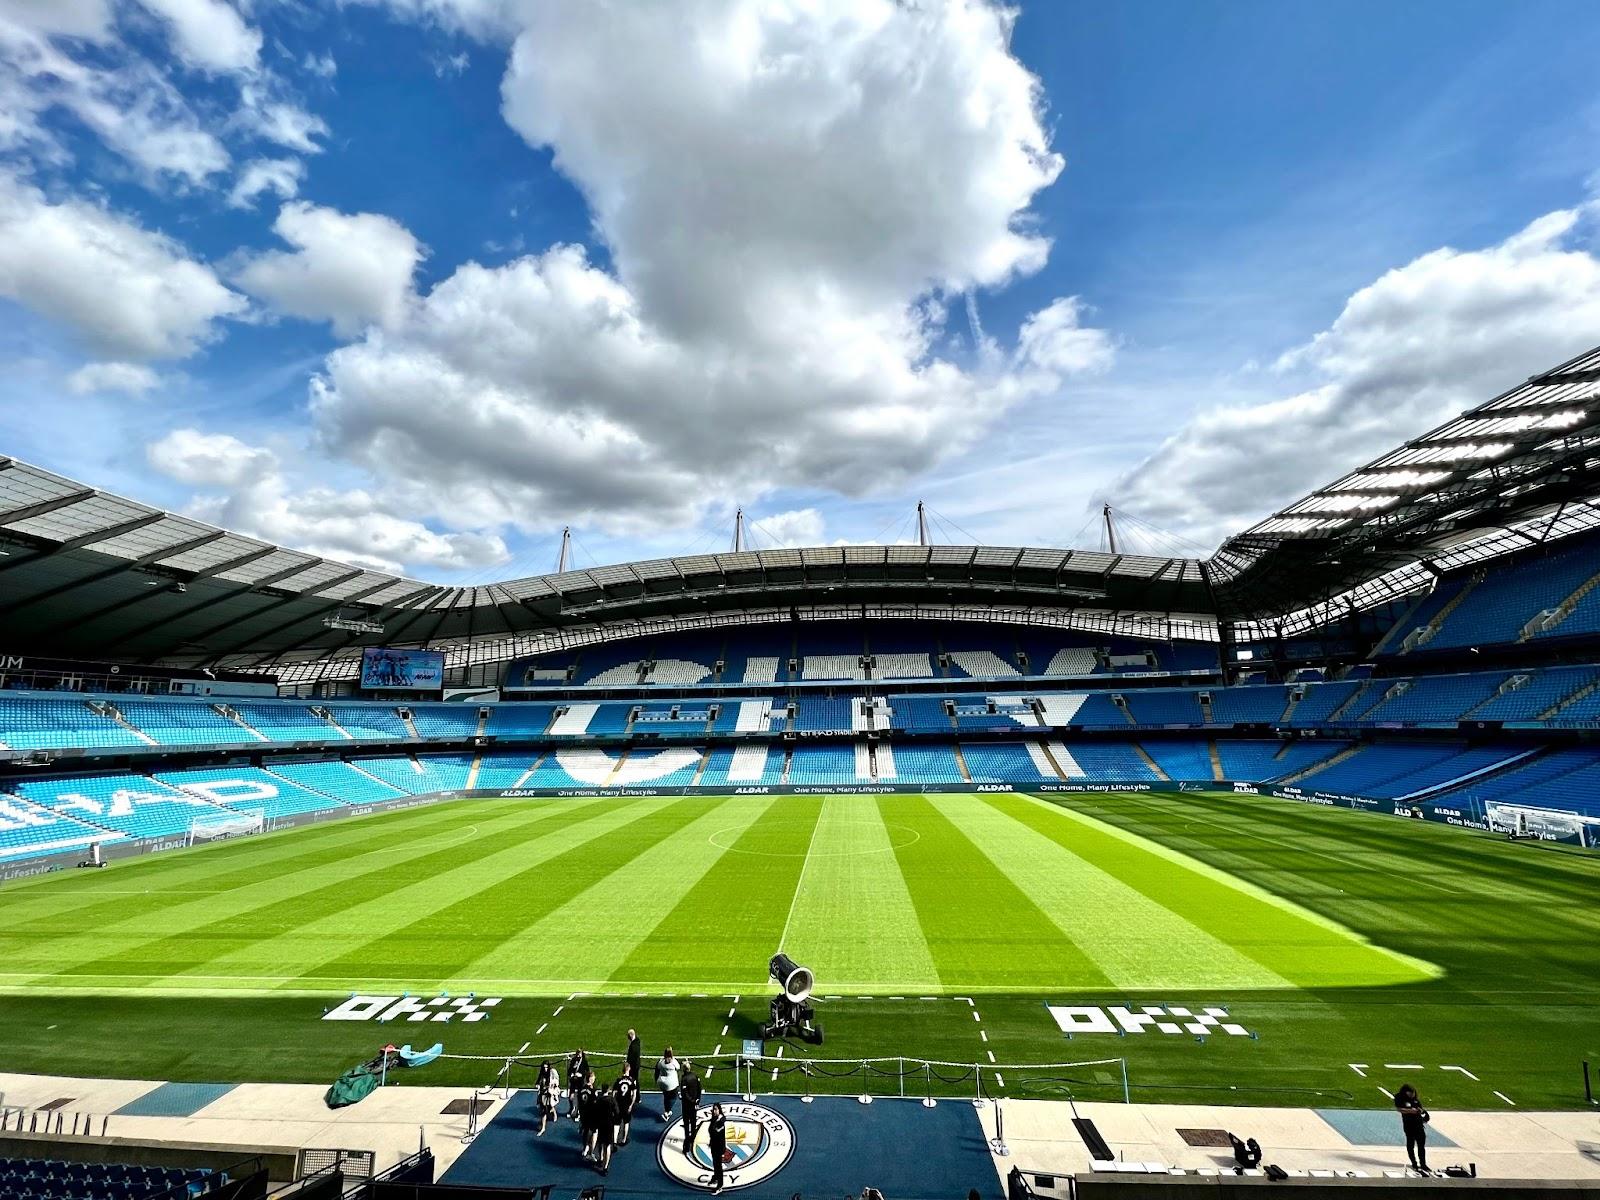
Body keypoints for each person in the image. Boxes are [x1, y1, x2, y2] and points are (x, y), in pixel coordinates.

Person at [1394, 1083, 1430, 1172]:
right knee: (1410, 1146)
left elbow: (1420, 1109)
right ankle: (1414, 1163)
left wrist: (1421, 1111)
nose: (1412, 1095)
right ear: (1406, 1092)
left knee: (1421, 1146)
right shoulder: (1400, 1098)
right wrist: (1411, 1111)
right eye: (1410, 1093)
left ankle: (1423, 1164)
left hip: (1419, 1125)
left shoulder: (1415, 1100)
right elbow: (1399, 1109)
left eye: (1413, 1093)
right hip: (1409, 1125)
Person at [680, 1060, 704, 1157]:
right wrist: (697, 1100)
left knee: (687, 1125)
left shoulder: (684, 1079)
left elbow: (685, 1094)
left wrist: (692, 1101)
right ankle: (693, 1140)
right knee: (693, 1123)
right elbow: (699, 1089)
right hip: (694, 1104)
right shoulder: (695, 1076)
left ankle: (687, 1146)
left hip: (687, 1105)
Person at [593, 1085, 618, 1175]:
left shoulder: (599, 1100)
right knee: (607, 1145)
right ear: (609, 1090)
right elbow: (617, 1112)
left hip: (600, 1124)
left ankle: (600, 1159)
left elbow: (595, 1112)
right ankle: (605, 1166)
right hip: (609, 1124)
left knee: (600, 1143)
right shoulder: (612, 1100)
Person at [577, 1070, 600, 1161]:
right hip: (592, 1114)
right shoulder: (593, 1090)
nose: (594, 1079)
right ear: (590, 1078)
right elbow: (595, 1103)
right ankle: (591, 1152)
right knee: (594, 1132)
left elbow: (579, 1103)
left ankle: (585, 1148)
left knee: (585, 1131)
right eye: (593, 1077)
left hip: (583, 1114)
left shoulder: (581, 1089)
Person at [614, 1067, 640, 1146]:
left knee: (617, 1123)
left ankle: (614, 1140)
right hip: (627, 1104)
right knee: (626, 1122)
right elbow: (634, 1094)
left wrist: (614, 1104)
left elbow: (614, 1093)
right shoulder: (632, 1081)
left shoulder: (618, 1080)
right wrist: (631, 1105)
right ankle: (624, 1139)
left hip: (618, 1104)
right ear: (629, 1070)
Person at [655, 1046, 681, 1121]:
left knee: (666, 1097)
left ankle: (667, 1111)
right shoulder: (673, 1062)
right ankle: (667, 1112)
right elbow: (678, 1067)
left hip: (662, 1082)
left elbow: (658, 1068)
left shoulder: (661, 1061)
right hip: (671, 1083)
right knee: (674, 1097)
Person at [707, 1102, 727, 1194]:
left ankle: (720, 1185)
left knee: (718, 1166)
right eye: (713, 1109)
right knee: (715, 1164)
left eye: (716, 1109)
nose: (714, 1111)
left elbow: (714, 1133)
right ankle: (715, 1178)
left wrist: (718, 1121)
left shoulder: (720, 1122)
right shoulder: (714, 1119)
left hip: (719, 1147)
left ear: (719, 1110)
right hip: (714, 1146)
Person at [535, 1060, 558, 1137]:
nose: (545, 1069)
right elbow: (538, 1081)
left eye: (546, 1067)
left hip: (549, 1094)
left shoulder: (551, 1074)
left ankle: (554, 1114)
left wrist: (551, 1089)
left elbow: (555, 1083)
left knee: (550, 1106)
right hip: (542, 1094)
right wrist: (537, 1085)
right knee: (543, 1111)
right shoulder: (541, 1074)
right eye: (544, 1067)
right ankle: (543, 1127)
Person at [565, 1048, 589, 1120]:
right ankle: (571, 1108)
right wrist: (571, 1074)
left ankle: (578, 1112)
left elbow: (587, 1071)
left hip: (580, 1082)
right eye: (577, 1053)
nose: (578, 1055)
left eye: (580, 1054)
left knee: (580, 1098)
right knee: (571, 1097)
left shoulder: (584, 1061)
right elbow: (569, 1070)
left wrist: (581, 1074)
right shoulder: (573, 1060)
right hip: (573, 1081)